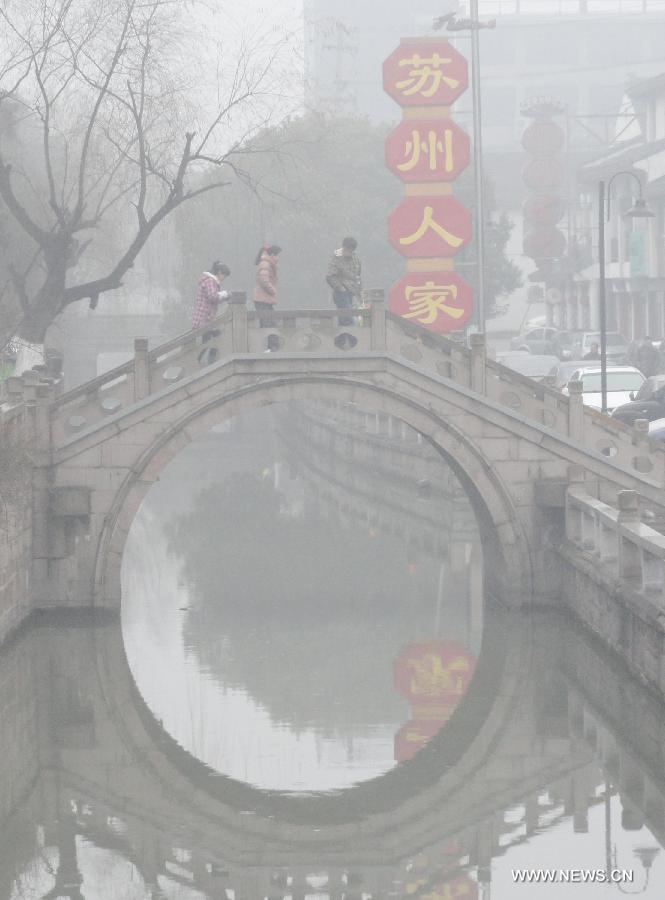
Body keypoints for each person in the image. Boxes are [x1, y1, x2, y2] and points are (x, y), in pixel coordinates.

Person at [326, 236, 362, 326]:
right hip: (341, 294)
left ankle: (341, 339)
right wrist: (340, 288)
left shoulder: (356, 260)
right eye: (348, 249)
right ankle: (353, 339)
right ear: (344, 248)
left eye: (352, 250)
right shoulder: (337, 259)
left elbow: (358, 276)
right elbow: (330, 277)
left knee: (344, 321)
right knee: (349, 318)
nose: (350, 252)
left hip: (353, 293)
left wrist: (359, 292)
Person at [192, 261, 231, 331]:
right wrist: (224, 294)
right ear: (219, 272)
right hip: (203, 320)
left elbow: (214, 301)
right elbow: (212, 297)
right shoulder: (210, 281)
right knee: (206, 339)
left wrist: (225, 297)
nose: (224, 278)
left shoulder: (211, 281)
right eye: (224, 276)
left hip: (205, 320)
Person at [254, 245, 281, 327]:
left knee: (268, 325)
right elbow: (264, 281)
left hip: (264, 300)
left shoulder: (265, 263)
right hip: (263, 300)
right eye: (277, 255)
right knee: (269, 327)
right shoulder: (265, 264)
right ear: (272, 255)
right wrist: (272, 290)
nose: (278, 258)